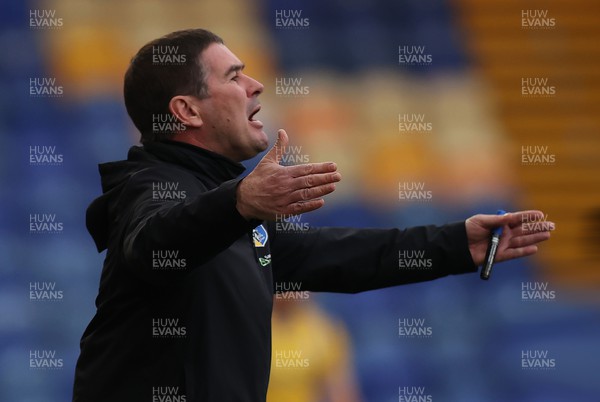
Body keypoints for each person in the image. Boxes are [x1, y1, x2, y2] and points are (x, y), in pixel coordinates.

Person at [72, 29, 553, 402]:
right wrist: (238, 202)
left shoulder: (232, 213)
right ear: (186, 110)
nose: (255, 84)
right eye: (233, 76)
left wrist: (454, 243)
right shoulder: (151, 185)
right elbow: (152, 246)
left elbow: (336, 254)